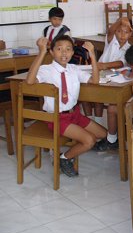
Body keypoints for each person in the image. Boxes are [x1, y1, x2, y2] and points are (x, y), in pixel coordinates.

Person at [25, 35, 106, 177]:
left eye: (68, 49)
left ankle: (76, 147)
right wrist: (41, 52)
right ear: (52, 52)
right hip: (56, 117)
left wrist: (92, 54)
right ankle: (64, 158)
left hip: (74, 114)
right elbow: (30, 81)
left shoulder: (74, 69)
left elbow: (95, 80)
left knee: (103, 134)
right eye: (59, 49)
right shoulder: (47, 69)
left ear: (73, 53)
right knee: (89, 140)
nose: (64, 53)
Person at [88, 17, 132, 151]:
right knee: (94, 100)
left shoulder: (129, 49)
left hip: (114, 80)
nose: (122, 35)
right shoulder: (111, 41)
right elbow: (111, 30)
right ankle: (98, 130)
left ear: (130, 34)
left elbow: (120, 63)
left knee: (103, 100)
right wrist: (121, 20)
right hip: (100, 75)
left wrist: (103, 65)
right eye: (119, 31)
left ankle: (107, 134)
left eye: (126, 32)